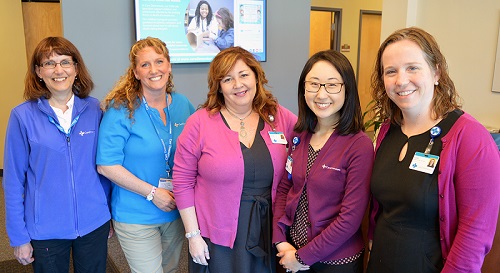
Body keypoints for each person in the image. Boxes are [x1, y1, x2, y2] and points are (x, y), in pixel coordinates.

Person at [367, 27, 500, 273]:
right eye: (391, 71)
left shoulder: (471, 138)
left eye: (412, 68)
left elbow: (475, 234)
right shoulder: (387, 130)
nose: (401, 80)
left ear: (436, 71)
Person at [173, 46, 297, 273]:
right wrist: (193, 236)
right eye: (228, 79)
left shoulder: (278, 117)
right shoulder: (199, 123)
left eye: (244, 75)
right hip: (217, 236)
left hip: (267, 230)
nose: (238, 85)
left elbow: (310, 140)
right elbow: (182, 181)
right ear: (219, 87)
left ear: (256, 77)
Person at [3, 36, 111, 272]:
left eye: (65, 62)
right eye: (49, 63)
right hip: (46, 230)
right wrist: (19, 237)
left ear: (75, 69)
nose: (58, 70)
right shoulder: (22, 116)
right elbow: (13, 182)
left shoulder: (95, 109)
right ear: (39, 72)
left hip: (94, 223)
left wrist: (107, 212)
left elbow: (105, 168)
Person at [96, 37, 195, 273]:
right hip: (136, 213)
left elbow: (196, 153)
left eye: (159, 61)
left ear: (169, 66)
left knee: (170, 270)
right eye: (145, 65)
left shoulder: (182, 104)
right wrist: (152, 193)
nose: (154, 70)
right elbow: (106, 165)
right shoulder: (121, 109)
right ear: (136, 73)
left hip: (174, 211)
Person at [273, 50, 374, 273]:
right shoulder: (300, 135)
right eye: (314, 84)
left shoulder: (359, 145)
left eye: (332, 85)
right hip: (291, 252)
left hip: (335, 262)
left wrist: (302, 257)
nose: (321, 94)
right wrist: (280, 238)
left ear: (347, 89)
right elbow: (285, 189)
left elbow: (350, 218)